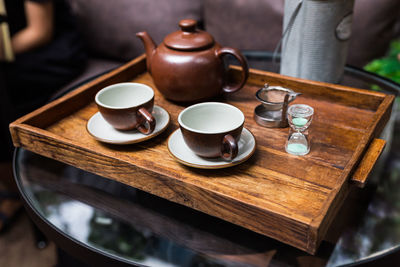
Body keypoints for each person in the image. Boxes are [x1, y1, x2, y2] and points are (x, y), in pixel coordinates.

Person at [0, 0, 86, 232]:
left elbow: (39, 32)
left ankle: (24, 192)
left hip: (51, 52)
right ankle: (18, 188)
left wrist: (3, 49)